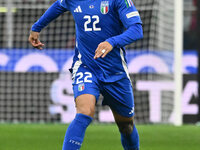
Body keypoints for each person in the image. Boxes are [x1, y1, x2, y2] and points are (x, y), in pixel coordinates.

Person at [29, 0, 143, 149]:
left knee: (126, 125)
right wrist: (36, 28)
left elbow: (136, 29)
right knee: (84, 112)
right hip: (86, 66)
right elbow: (58, 5)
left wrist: (112, 42)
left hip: (115, 72)